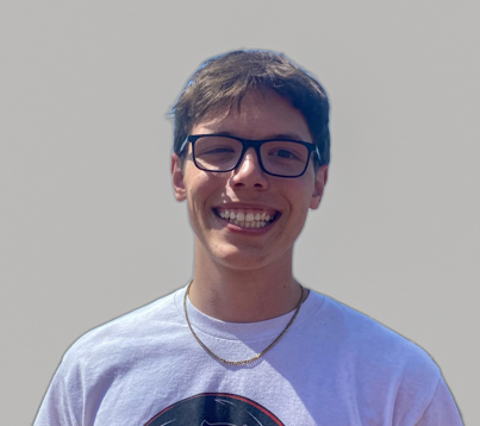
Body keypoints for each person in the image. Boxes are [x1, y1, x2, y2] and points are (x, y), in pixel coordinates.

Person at [34, 50, 463, 425]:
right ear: (178, 175)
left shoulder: (396, 381)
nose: (248, 175)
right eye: (219, 149)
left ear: (318, 183)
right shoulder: (95, 370)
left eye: (283, 153)